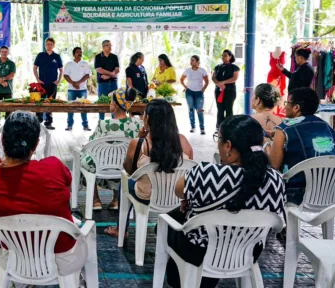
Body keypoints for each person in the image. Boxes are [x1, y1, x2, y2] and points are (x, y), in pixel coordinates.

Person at [164, 115, 285, 288]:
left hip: (200, 251)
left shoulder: (205, 173)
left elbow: (178, 191)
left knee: (171, 221)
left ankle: (180, 280)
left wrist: (192, 199)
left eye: (218, 138)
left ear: (228, 145)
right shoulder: (276, 180)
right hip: (248, 251)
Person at [0, 112, 87, 277]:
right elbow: (66, 196)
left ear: (3, 140)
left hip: (15, 259)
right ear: (36, 145)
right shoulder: (54, 166)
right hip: (62, 259)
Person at [104, 99, 193, 238]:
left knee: (124, 181)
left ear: (148, 119)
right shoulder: (183, 141)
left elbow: (129, 170)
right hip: (175, 196)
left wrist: (139, 138)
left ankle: (121, 228)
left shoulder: (140, 143)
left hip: (146, 195)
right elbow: (189, 173)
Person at [266, 88, 335, 205]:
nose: (285, 106)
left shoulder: (284, 127)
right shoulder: (326, 125)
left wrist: (269, 147)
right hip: (330, 192)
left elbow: (274, 165)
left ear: (296, 108)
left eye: (287, 103)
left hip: (297, 194)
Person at [82, 87, 141, 210]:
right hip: (126, 166)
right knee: (120, 159)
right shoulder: (136, 124)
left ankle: (96, 200)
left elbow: (91, 144)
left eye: (110, 101)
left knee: (84, 159)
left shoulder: (103, 124)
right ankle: (116, 200)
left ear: (114, 105)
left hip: (103, 166)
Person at [33, 37, 63, 130]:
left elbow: (61, 70)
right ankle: (38, 121)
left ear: (53, 45)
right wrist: (37, 79)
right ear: (45, 45)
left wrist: (58, 81)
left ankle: (49, 122)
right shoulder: (40, 55)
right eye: (47, 44)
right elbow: (35, 68)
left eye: (51, 44)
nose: (49, 46)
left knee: (51, 104)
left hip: (52, 84)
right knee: (39, 103)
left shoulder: (57, 56)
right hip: (41, 84)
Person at [63, 47, 91, 131]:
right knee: (70, 108)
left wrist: (78, 83)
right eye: (77, 52)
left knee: (84, 108)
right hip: (71, 89)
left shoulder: (85, 63)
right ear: (73, 54)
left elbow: (87, 75)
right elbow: (65, 75)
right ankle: (69, 125)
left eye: (80, 52)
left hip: (82, 89)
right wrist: (73, 83)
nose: (79, 53)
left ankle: (85, 125)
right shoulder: (69, 64)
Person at [180, 55, 209, 134]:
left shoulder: (202, 70)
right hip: (189, 92)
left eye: (193, 60)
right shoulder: (187, 70)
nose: (191, 62)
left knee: (199, 110)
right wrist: (185, 87)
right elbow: (181, 79)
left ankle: (202, 128)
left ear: (197, 62)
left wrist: (203, 89)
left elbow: (207, 81)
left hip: (199, 92)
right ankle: (193, 127)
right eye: (190, 60)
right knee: (191, 109)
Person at [212, 49, 240, 129]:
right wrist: (219, 83)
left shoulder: (234, 67)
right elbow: (213, 77)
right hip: (219, 90)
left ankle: (229, 127)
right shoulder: (217, 67)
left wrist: (223, 82)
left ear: (230, 57)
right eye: (222, 56)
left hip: (229, 91)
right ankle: (219, 126)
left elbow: (234, 78)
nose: (223, 57)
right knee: (220, 109)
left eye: (225, 56)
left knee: (229, 109)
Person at [0, 46, 16, 131]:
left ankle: (8, 124)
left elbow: (12, 74)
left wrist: (4, 79)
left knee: (8, 107)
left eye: (6, 52)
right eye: (2, 51)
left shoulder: (11, 63)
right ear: (0, 52)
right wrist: (1, 82)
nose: (4, 53)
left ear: (8, 53)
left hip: (8, 89)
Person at [94, 40, 120, 120]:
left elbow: (117, 69)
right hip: (103, 84)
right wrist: (111, 74)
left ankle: (114, 121)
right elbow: (99, 69)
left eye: (110, 45)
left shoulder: (114, 57)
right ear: (103, 47)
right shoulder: (98, 57)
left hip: (113, 83)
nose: (110, 47)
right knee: (102, 102)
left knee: (114, 102)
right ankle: (101, 121)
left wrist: (109, 76)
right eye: (108, 45)